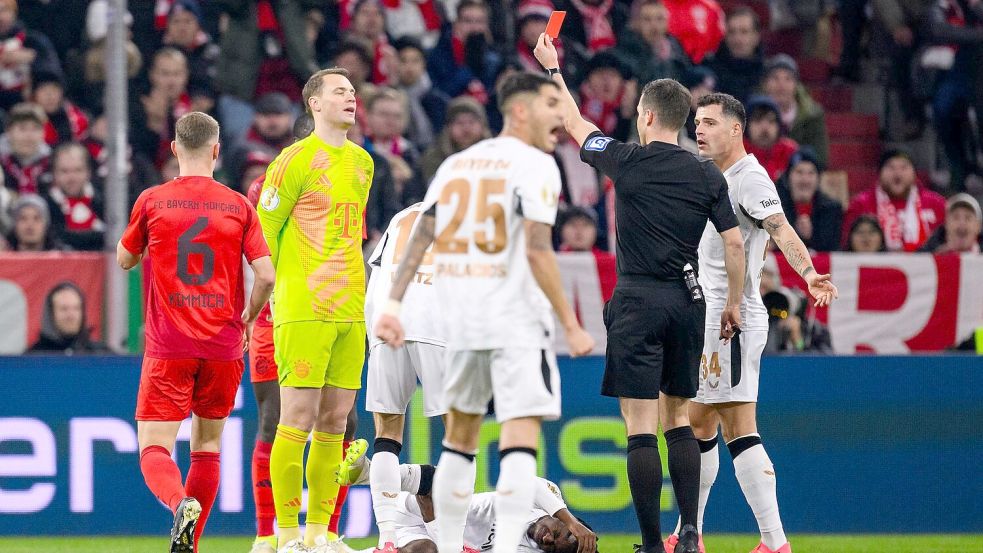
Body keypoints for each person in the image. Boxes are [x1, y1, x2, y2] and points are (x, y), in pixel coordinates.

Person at [533, 34, 746, 553]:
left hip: (637, 300)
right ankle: (691, 535)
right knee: (680, 418)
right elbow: (735, 244)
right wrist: (735, 303)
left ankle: (653, 543)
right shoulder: (707, 174)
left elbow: (574, 122)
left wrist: (555, 68)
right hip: (688, 301)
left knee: (639, 426)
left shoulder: (625, 159)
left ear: (647, 116)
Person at [374, 71, 595, 553]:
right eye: (549, 106)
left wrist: (392, 303)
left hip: (462, 324)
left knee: (460, 444)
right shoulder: (538, 166)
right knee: (518, 443)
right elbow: (538, 250)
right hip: (512, 322)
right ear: (520, 111)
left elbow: (422, 236)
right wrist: (572, 323)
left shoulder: (457, 164)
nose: (559, 117)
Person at [664, 92, 838, 553]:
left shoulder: (750, 179)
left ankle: (773, 542)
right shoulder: (710, 174)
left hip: (732, 319)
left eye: (710, 123)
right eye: (696, 123)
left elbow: (780, 228)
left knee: (738, 427)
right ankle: (691, 533)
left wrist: (807, 274)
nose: (699, 130)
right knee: (699, 422)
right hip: (711, 318)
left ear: (736, 130)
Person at [116, 111, 275, 553]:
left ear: (173, 150)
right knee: (207, 447)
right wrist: (248, 316)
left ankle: (178, 503)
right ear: (217, 150)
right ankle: (192, 543)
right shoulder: (239, 205)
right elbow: (265, 275)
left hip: (170, 345)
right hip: (224, 346)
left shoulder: (152, 200)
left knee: (154, 448)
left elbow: (125, 260)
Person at [256, 67, 375, 553]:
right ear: (314, 104)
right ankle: (284, 536)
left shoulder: (364, 163)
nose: (351, 98)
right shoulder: (292, 161)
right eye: (339, 92)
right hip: (304, 306)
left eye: (353, 92)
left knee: (335, 423)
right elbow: (263, 235)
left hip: (351, 308)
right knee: (297, 417)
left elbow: (353, 237)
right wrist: (271, 297)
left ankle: (321, 534)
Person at [354, 202, 447, 553]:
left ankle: (387, 538)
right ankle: (450, 539)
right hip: (434, 323)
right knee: (459, 437)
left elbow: (373, 272)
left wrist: (373, 333)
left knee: (387, 437)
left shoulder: (401, 215)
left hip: (384, 318)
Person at [842, 149, 946, 251]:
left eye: (904, 167)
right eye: (891, 167)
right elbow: (847, 245)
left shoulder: (936, 204)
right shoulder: (861, 204)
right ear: (879, 174)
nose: (897, 174)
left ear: (914, 174)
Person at [761, 54, 829, 168]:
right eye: (775, 78)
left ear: (796, 85)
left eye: (788, 79)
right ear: (765, 84)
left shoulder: (812, 116)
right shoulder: (754, 115)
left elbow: (820, 157)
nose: (781, 85)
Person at [776, 147, 843, 252]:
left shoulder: (832, 209)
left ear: (818, 178)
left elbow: (834, 248)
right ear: (788, 177)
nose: (805, 180)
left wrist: (812, 236)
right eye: (799, 172)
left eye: (811, 173)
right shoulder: (773, 209)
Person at [43, 142, 106, 252]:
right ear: (54, 173)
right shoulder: (45, 206)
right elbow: (55, 236)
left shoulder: (105, 200)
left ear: (88, 172)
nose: (72, 178)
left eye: (78, 170)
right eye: (64, 171)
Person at [418, 96, 490, 183]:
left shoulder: (495, 153)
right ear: (449, 127)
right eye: (460, 123)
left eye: (471, 122)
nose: (466, 129)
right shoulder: (434, 157)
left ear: (483, 126)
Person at [703, 7, 765, 104]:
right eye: (732, 32)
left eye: (744, 32)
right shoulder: (709, 72)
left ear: (756, 37)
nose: (737, 39)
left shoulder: (767, 74)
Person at [28, 281, 106, 354]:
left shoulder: (102, 356)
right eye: (64, 309)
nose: (71, 315)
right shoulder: (32, 360)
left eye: (76, 308)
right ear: (50, 314)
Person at [1, 102, 52, 195]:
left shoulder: (52, 163)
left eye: (35, 128)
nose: (29, 136)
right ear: (9, 131)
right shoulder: (2, 161)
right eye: (22, 128)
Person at [743, 96, 798, 183]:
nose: (765, 127)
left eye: (771, 121)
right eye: (757, 120)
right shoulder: (735, 153)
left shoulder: (790, 152)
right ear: (746, 126)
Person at [919, 193, 983, 253]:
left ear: (978, 226)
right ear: (946, 224)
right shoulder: (923, 255)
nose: (962, 222)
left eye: (968, 218)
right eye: (956, 217)